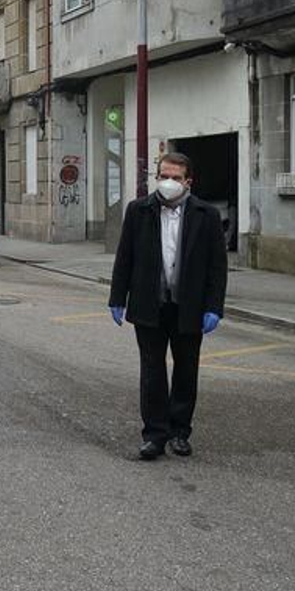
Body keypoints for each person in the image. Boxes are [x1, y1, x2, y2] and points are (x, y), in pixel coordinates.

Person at [108, 152, 229, 461]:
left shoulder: (206, 215)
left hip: (188, 306)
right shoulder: (139, 211)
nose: (169, 183)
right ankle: (154, 435)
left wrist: (214, 307)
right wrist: (117, 297)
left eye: (176, 177)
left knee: (186, 371)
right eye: (163, 176)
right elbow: (125, 258)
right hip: (150, 305)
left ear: (188, 181)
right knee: (152, 371)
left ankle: (179, 432)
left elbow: (217, 266)